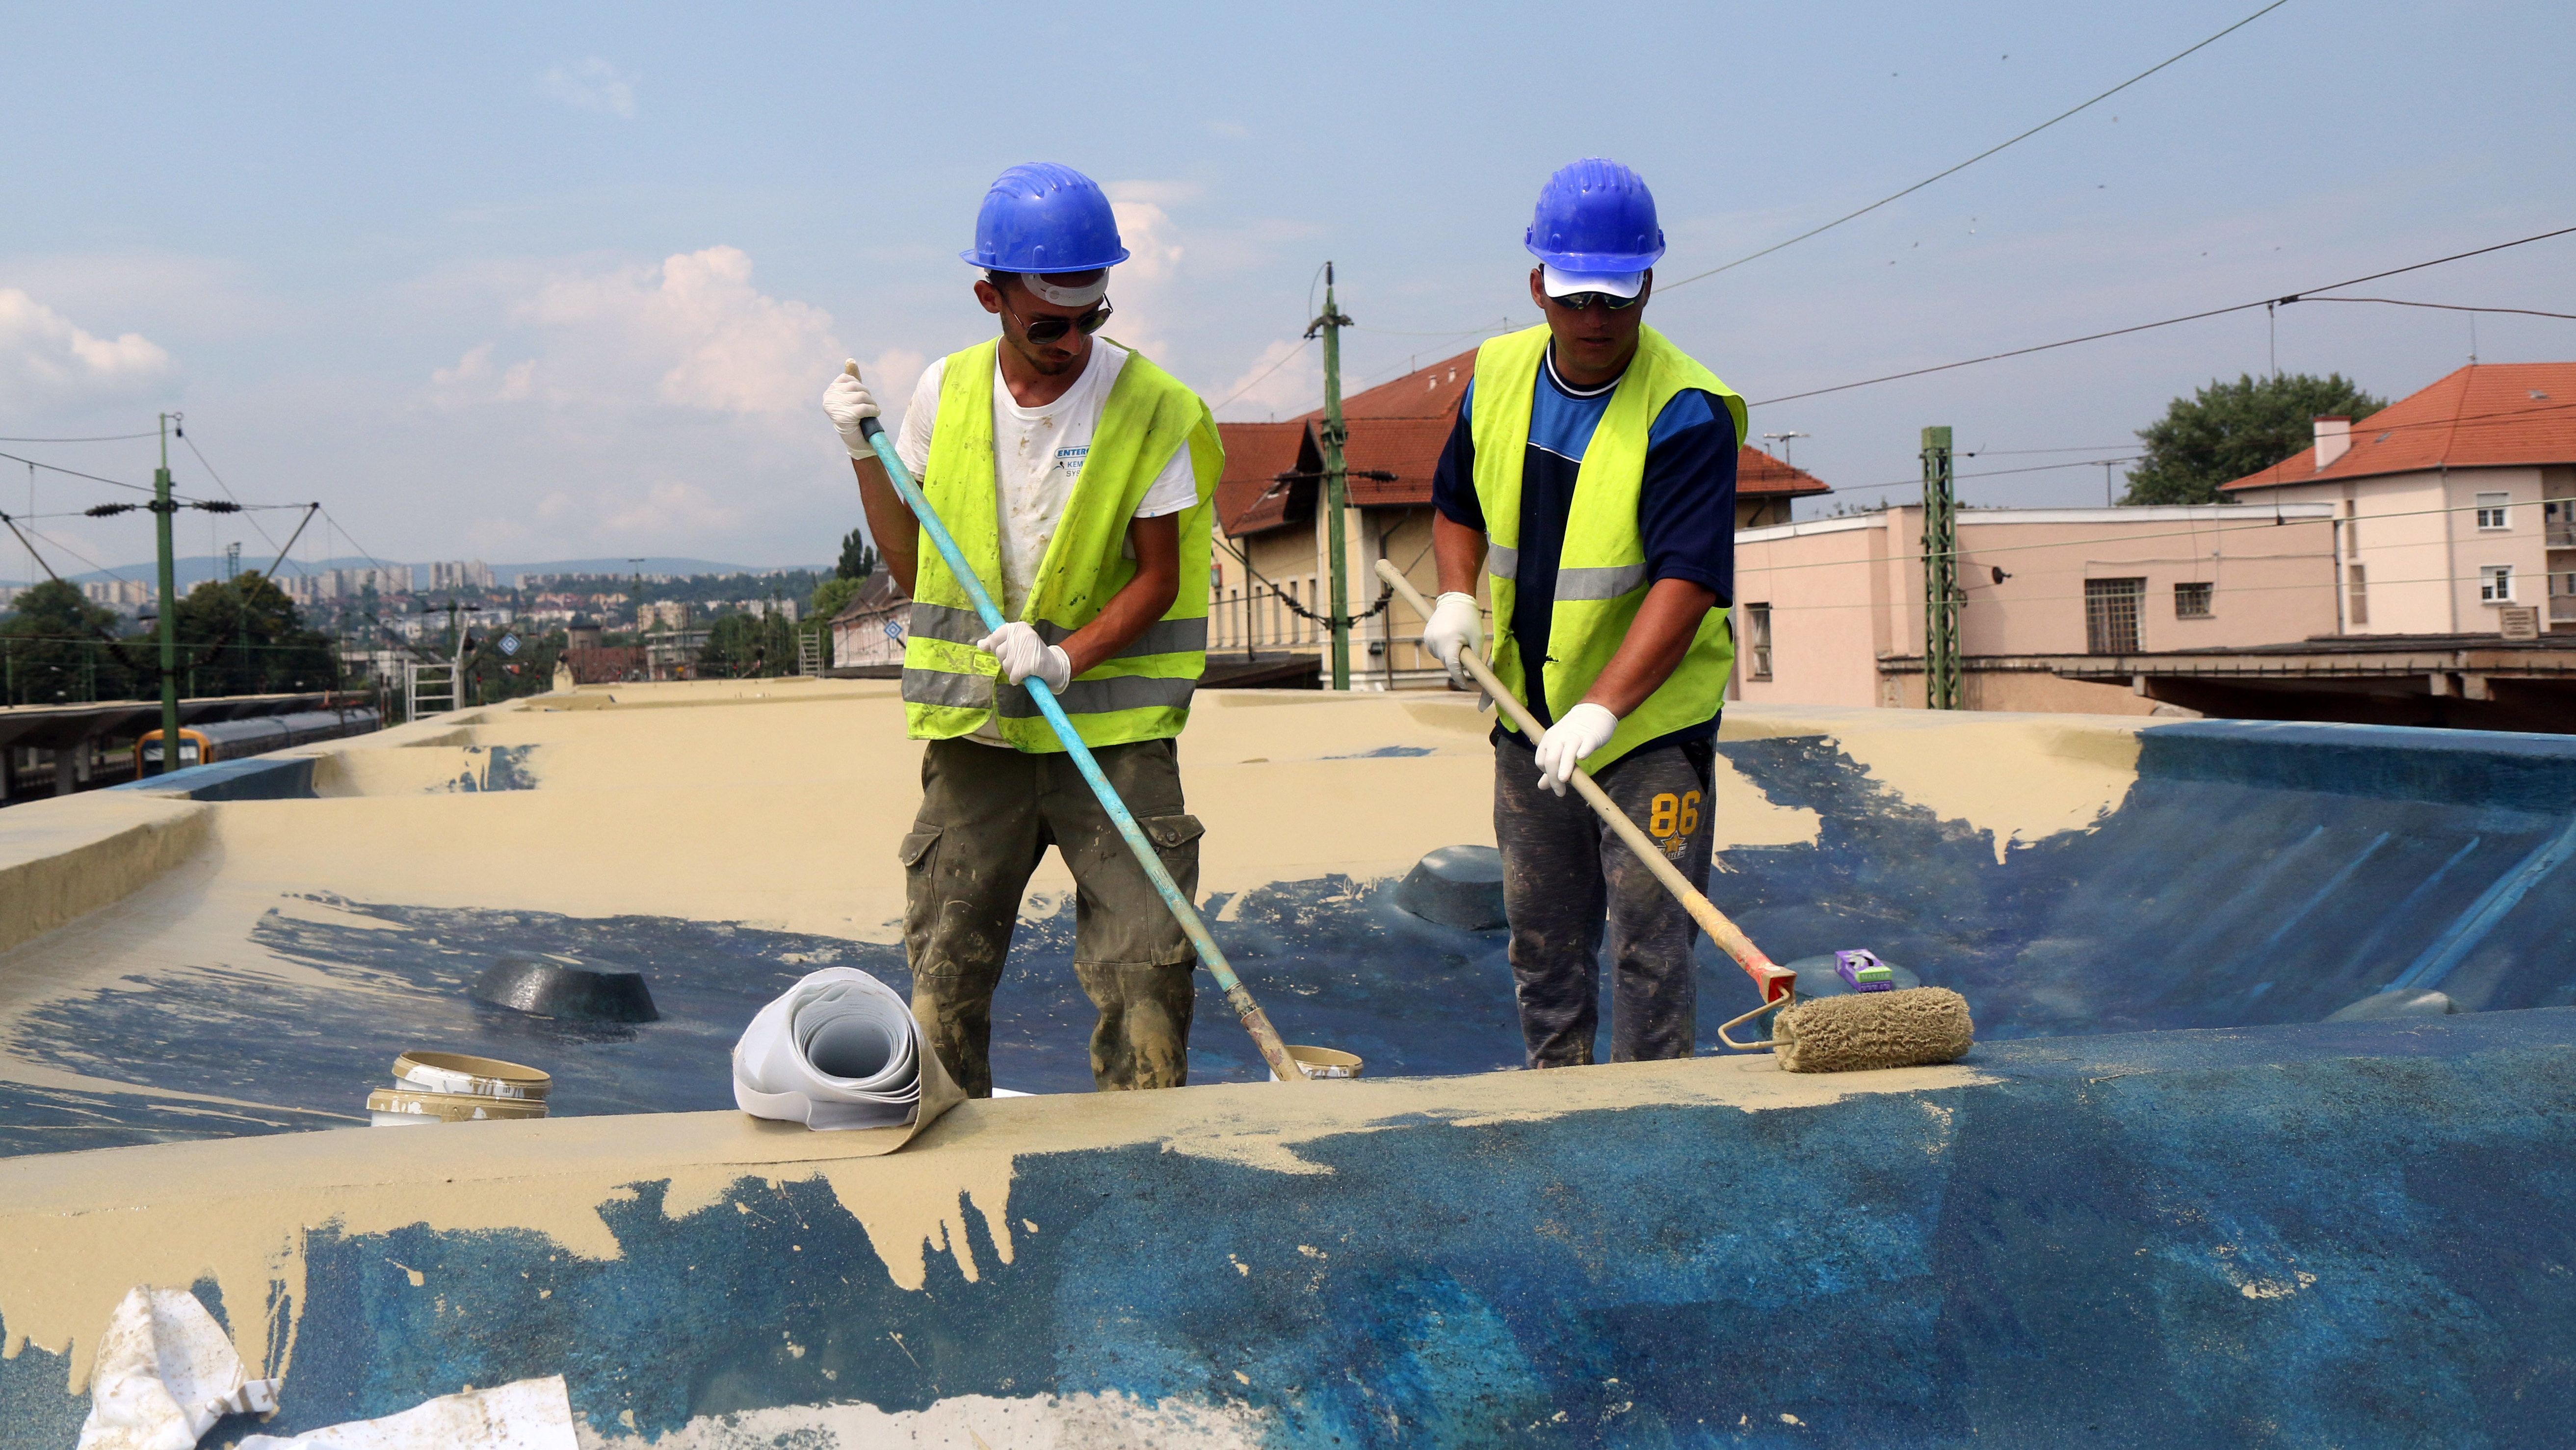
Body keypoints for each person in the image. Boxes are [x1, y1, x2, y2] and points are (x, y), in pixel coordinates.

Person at [819, 162, 1224, 1096]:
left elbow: (1160, 579)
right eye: (1050, 323)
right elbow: (916, 570)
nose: (1073, 341)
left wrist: (1066, 656)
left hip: (1114, 738)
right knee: (946, 969)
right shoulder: (945, 393)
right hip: (979, 734)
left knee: (1148, 971)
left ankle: (1142, 1170)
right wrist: (862, 457)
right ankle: (952, 1155)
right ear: (990, 296)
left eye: (1094, 317)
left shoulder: (1155, 407)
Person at [1420, 157, 1745, 1068]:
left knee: (1649, 949)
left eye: (1616, 297)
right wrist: (1455, 591)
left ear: (1648, 284)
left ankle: (1650, 1124)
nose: (1595, 320)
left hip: (1646, 728)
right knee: (1545, 941)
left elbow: (1685, 582)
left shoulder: (1685, 411)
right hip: (1527, 717)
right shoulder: (1497, 374)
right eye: (1575, 299)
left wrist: (1603, 709)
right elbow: (1457, 505)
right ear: (1538, 286)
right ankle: (1559, 1106)